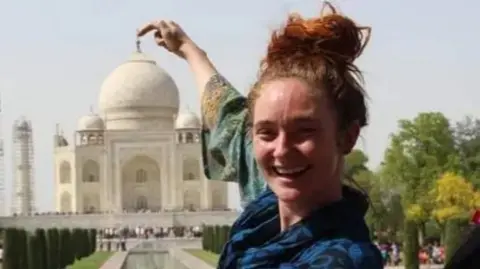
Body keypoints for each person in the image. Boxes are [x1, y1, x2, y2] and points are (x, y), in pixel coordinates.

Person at [138, 2, 382, 268]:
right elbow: (227, 115)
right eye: (266, 132)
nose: (282, 150)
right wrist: (189, 50)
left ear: (347, 136)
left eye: (304, 131)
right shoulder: (268, 205)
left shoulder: (341, 259)